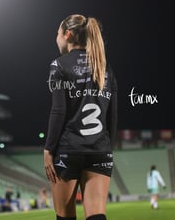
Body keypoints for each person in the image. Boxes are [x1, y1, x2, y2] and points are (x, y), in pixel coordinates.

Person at [44, 14, 118, 220]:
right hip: (100, 150)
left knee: (65, 216)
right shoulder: (105, 68)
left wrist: (48, 149)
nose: (56, 38)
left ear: (67, 35)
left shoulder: (58, 65)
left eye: (57, 33)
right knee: (96, 215)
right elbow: (113, 116)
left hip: (69, 150)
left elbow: (58, 111)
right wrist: (105, 147)